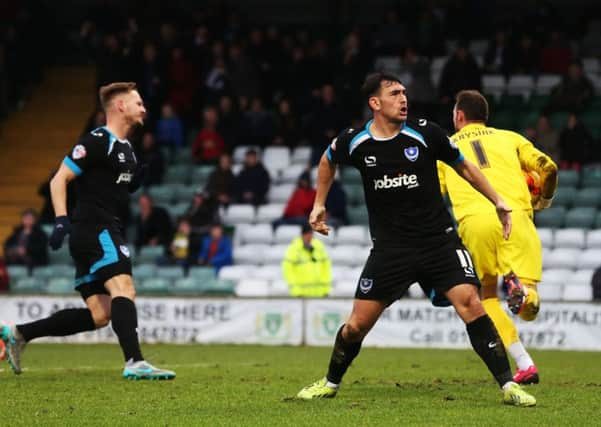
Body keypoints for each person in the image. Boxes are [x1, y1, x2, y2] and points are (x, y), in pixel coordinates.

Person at [296, 73, 535, 407]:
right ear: (375, 103)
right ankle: (331, 382)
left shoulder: (426, 133)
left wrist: (498, 200)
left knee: (472, 302)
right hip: (391, 251)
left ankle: (509, 385)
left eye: (405, 92)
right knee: (355, 327)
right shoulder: (355, 141)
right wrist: (318, 204)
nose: (404, 98)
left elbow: (464, 166)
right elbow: (327, 159)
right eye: (395, 93)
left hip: (439, 242)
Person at [1, 82, 175, 380]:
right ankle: (134, 361)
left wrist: (133, 181)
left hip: (97, 232)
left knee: (100, 314)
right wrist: (60, 219)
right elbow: (59, 180)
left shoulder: (127, 149)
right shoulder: (97, 140)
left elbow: (112, 186)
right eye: (138, 102)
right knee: (125, 289)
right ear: (120, 106)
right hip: (97, 230)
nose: (144, 107)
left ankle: (18, 333)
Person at [438, 90, 558, 385]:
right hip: (514, 215)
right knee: (529, 306)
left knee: (486, 298)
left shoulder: (445, 148)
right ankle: (523, 293)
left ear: (459, 116)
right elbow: (549, 168)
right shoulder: (511, 138)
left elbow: (431, 195)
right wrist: (543, 199)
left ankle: (524, 363)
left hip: (474, 223)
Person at [282, 223, 331, 297]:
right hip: (301, 296)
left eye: (311, 235)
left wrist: (326, 290)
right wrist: (296, 292)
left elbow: (326, 269)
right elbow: (288, 272)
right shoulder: (293, 250)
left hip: (319, 294)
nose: (310, 238)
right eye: (308, 235)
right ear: (302, 235)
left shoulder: (319, 247)